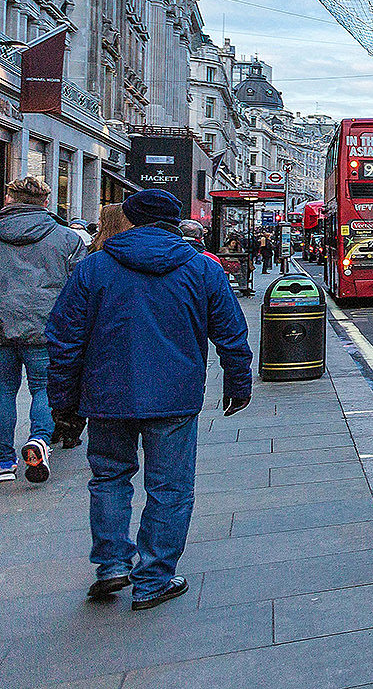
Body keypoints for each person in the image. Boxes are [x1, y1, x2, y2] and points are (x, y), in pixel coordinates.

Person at [47, 189, 251, 610]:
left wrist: (62, 401)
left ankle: (111, 566)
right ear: (176, 222)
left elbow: (64, 339)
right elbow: (231, 331)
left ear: (130, 218)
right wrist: (238, 382)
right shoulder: (201, 268)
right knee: (170, 488)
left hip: (107, 394)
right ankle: (154, 579)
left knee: (108, 479)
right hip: (175, 395)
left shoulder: (94, 267)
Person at [0, 176, 87, 484]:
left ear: (9, 198)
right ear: (46, 203)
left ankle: (2, 461)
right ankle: (39, 441)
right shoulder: (68, 238)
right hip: (45, 326)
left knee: (3, 390)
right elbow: (79, 290)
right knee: (42, 388)